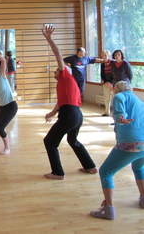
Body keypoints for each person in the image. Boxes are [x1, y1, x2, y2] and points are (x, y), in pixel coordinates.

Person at [42, 25, 97, 180]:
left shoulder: (65, 76)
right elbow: (61, 103)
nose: (55, 71)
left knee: (49, 142)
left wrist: (49, 39)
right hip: (77, 115)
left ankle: (58, 173)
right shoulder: (64, 84)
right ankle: (90, 166)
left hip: (69, 115)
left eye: (56, 70)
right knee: (73, 140)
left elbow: (58, 55)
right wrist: (51, 113)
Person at [90, 81, 144, 220]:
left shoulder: (119, 97)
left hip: (130, 143)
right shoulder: (138, 100)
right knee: (138, 167)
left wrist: (121, 119)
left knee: (105, 172)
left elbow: (120, 114)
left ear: (115, 90)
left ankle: (108, 209)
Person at [100, 50, 114, 117]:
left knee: (115, 98)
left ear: (109, 56)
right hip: (106, 83)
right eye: (103, 55)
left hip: (113, 83)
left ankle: (115, 114)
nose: (104, 56)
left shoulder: (113, 63)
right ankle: (107, 112)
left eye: (105, 55)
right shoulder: (102, 64)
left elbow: (115, 74)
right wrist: (105, 82)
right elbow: (102, 74)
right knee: (106, 98)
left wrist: (111, 82)